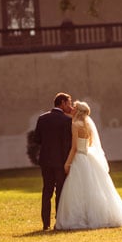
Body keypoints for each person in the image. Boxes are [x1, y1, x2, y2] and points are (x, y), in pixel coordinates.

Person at [55, 101, 122, 230]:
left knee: (78, 189)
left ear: (78, 111)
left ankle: (81, 217)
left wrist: (67, 163)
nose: (72, 109)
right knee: (94, 188)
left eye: (74, 108)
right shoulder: (87, 125)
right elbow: (88, 143)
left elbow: (74, 148)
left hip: (79, 158)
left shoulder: (76, 125)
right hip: (88, 157)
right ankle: (100, 216)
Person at [32, 93, 75, 231]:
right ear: (62, 103)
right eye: (68, 103)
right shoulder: (66, 120)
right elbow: (68, 144)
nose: (70, 106)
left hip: (45, 161)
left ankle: (45, 224)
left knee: (47, 191)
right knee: (60, 192)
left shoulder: (42, 118)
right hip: (61, 162)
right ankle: (59, 221)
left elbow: (36, 139)